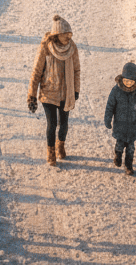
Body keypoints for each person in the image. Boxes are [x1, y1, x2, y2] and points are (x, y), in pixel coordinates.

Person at [27, 14, 81, 167]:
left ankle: (60, 145)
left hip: (66, 92)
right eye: (66, 34)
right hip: (48, 93)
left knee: (64, 124)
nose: (69, 37)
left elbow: (77, 70)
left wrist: (76, 89)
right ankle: (51, 153)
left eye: (70, 34)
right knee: (52, 124)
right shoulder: (46, 47)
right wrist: (31, 94)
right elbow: (36, 72)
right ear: (57, 34)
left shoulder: (72, 47)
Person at [104, 61, 136, 175]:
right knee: (120, 146)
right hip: (120, 126)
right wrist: (108, 119)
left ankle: (129, 166)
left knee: (131, 149)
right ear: (122, 79)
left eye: (131, 81)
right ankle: (118, 156)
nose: (128, 83)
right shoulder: (116, 91)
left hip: (132, 128)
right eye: (126, 81)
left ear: (135, 80)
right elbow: (110, 106)